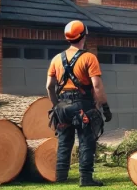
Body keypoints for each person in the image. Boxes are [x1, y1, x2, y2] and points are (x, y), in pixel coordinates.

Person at [46, 20, 111, 187]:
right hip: (82, 106)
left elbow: (49, 86)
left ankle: (60, 176)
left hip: (62, 105)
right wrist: (105, 107)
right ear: (83, 36)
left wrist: (55, 106)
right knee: (86, 141)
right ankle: (86, 178)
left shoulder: (56, 59)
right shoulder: (89, 58)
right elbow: (96, 85)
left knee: (64, 140)